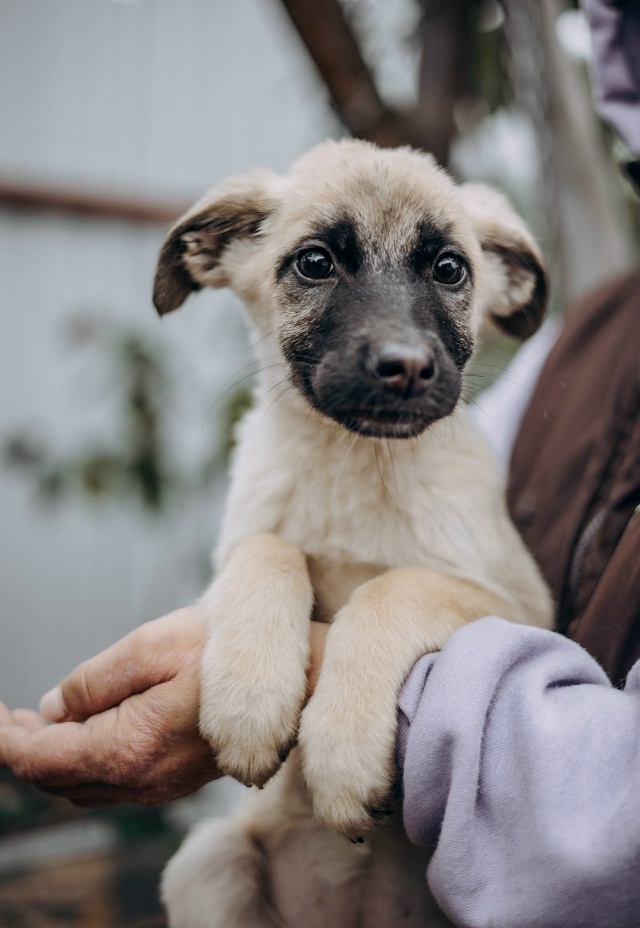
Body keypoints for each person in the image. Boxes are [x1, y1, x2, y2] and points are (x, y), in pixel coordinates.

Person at [1, 0, 639, 924]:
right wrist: (263, 574)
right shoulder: (590, 347)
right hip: (275, 872)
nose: (403, 350)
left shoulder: (466, 458)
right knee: (204, 868)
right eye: (318, 264)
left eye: (447, 273)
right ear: (220, 255)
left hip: (433, 895)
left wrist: (368, 628)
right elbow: (250, 606)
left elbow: (519, 614)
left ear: (507, 282)